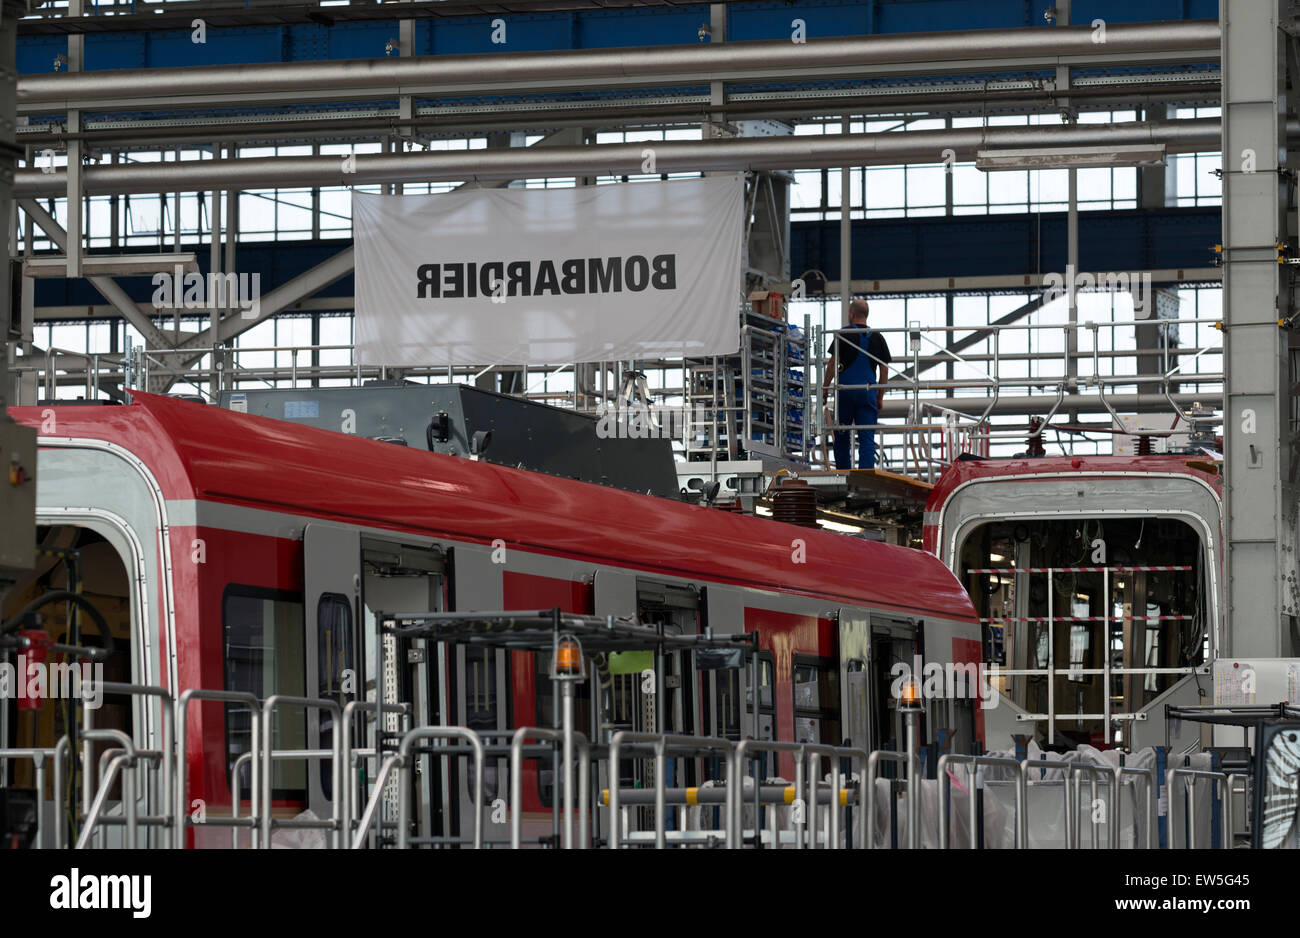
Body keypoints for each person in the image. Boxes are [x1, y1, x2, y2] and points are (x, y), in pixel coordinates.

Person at [824, 299, 891, 470]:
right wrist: (880, 397)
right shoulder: (878, 337)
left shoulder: (842, 334)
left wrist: (825, 389)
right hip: (868, 394)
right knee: (866, 437)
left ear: (851, 314)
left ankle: (843, 473)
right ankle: (866, 475)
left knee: (841, 436)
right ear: (866, 315)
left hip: (845, 392)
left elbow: (832, 365)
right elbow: (884, 371)